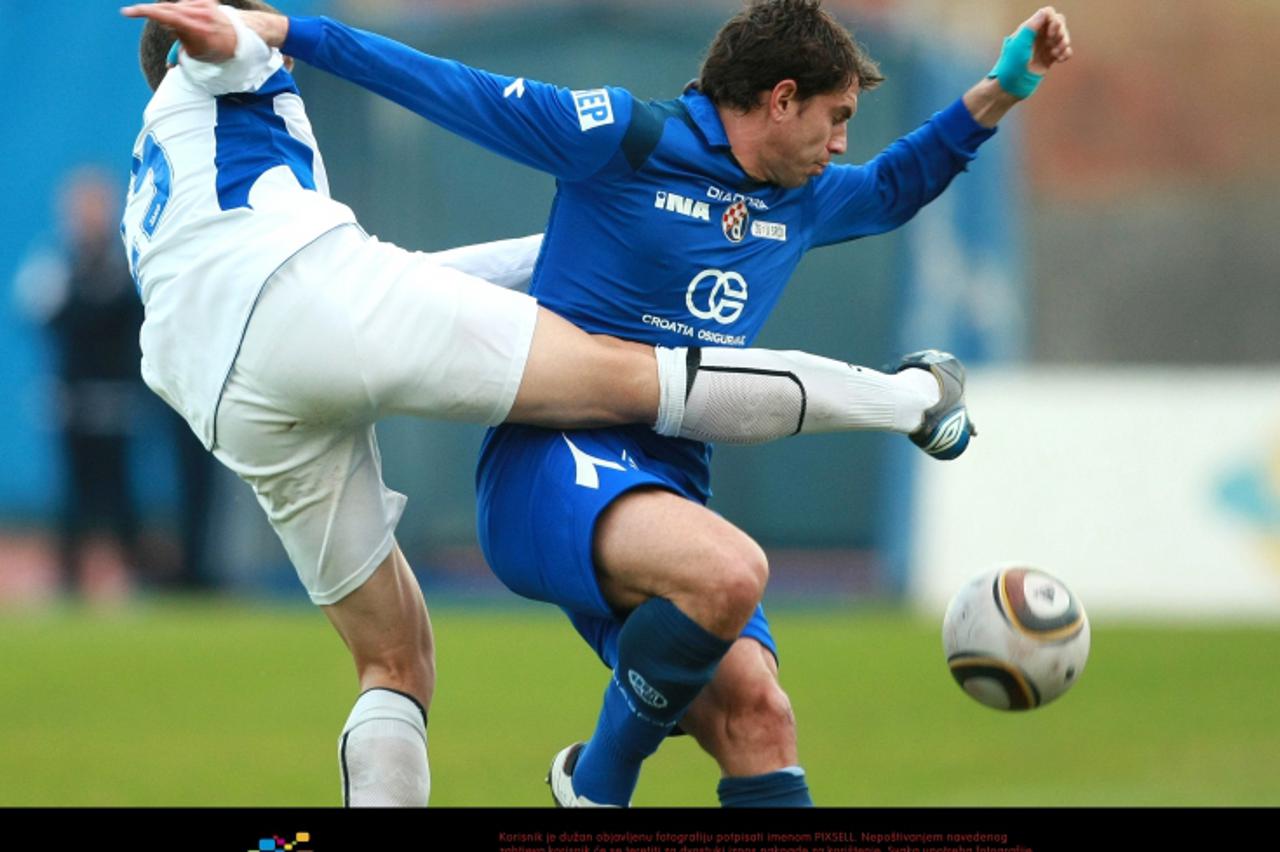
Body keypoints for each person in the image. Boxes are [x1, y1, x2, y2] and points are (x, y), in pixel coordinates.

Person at [120, 0, 986, 807]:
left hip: (224, 386)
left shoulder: (164, 165)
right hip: (316, 301)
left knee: (396, 661)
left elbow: (888, 190)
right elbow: (248, 55)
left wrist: (1001, 87)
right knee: (637, 381)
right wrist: (263, 30)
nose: (842, 141)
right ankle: (912, 399)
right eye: (837, 118)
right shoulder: (227, 70)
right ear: (784, 96)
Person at [14, 168, 146, 599]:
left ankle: (130, 574)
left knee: (119, 490)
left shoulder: (125, 260)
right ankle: (69, 579)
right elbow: (36, 312)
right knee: (72, 492)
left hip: (115, 397)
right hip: (71, 397)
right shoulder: (55, 261)